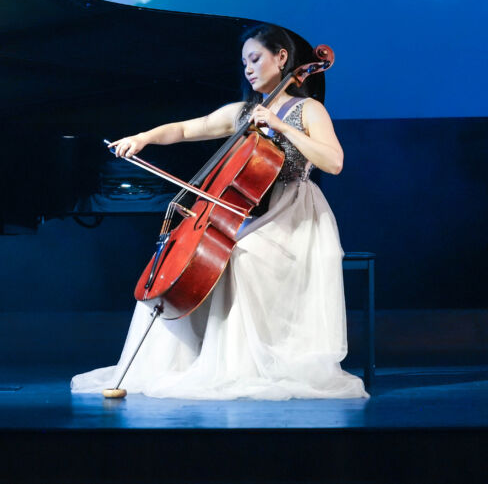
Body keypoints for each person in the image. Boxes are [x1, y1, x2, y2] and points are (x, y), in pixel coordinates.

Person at [71, 25, 368, 399]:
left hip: (295, 213)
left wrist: (279, 125)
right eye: (244, 61)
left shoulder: (308, 109)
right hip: (252, 212)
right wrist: (142, 138)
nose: (248, 68)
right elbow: (184, 130)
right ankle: (189, 362)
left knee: (239, 255)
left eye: (256, 58)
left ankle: (243, 365)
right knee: (182, 262)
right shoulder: (242, 112)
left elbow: (334, 162)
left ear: (281, 57)